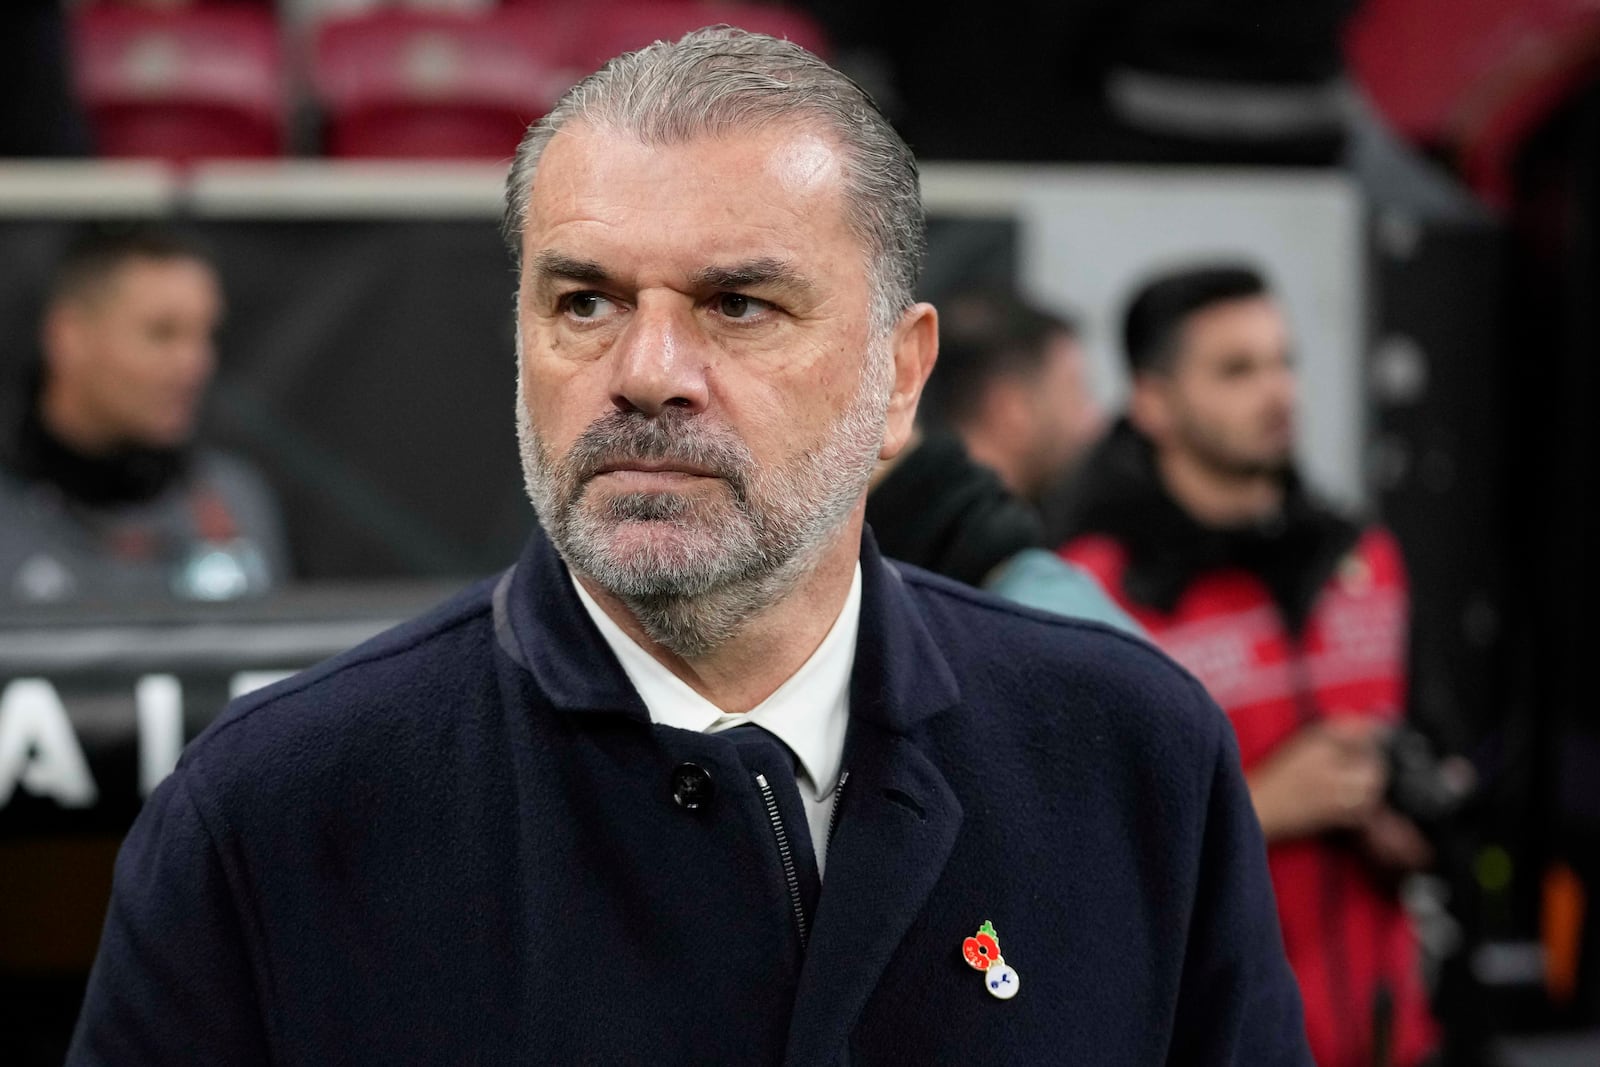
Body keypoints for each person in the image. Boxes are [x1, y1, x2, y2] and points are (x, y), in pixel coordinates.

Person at [70, 31, 1309, 1064]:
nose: (646, 374)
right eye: (586, 301)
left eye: (737, 304)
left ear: (900, 377)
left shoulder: (1135, 758)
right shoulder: (272, 816)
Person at [1056, 264, 1437, 1066]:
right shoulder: (1093, 589)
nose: (1279, 392)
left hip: (1389, 1031)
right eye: (1237, 370)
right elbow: (1071, 853)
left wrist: (1414, 825)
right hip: (1213, 1041)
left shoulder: (1362, 558)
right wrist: (1263, 804)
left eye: (1283, 361)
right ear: (1154, 403)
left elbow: (1445, 759)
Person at [0, 226, 288, 604]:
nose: (195, 364)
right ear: (68, 336)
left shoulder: (234, 499)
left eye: (206, 335)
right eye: (161, 333)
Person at [866, 287, 1134, 630]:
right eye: (1077, 390)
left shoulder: (869, 556)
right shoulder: (1044, 603)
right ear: (1013, 409)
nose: (1094, 419)